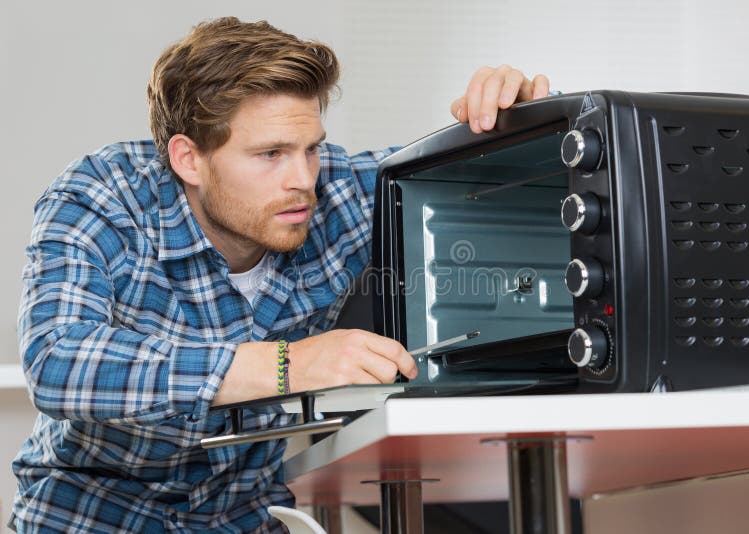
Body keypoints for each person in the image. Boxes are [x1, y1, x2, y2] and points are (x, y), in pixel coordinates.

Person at [11, 16, 550, 533]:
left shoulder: (338, 190)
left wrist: (520, 122)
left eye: (311, 148)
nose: (303, 181)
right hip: (87, 513)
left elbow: (470, 179)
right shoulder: (101, 197)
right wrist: (288, 363)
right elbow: (58, 358)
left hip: (245, 518)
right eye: (270, 153)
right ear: (188, 159)